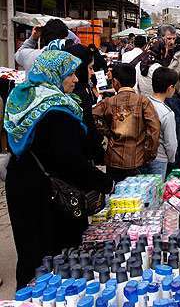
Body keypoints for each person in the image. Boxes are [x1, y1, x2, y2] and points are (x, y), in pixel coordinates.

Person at [4, 50, 114, 287]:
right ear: (54, 74)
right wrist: (105, 183)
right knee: (53, 254)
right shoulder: (56, 111)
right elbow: (69, 162)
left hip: (22, 183)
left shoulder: (25, 97)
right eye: (70, 73)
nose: (76, 79)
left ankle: (28, 297)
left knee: (29, 249)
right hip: (47, 191)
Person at [92, 63, 161, 182]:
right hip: (137, 158)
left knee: (115, 197)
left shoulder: (108, 102)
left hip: (113, 159)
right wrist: (149, 154)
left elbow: (92, 115)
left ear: (115, 82)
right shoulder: (143, 102)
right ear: (134, 82)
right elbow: (154, 129)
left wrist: (107, 131)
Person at [64, 43, 105, 164]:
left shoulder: (76, 90)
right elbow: (88, 127)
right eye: (90, 68)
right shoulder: (78, 94)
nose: (92, 72)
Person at [139, 67, 178, 180]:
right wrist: (171, 159)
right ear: (170, 88)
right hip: (159, 158)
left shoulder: (142, 104)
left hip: (140, 156)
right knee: (156, 193)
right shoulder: (167, 113)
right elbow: (171, 143)